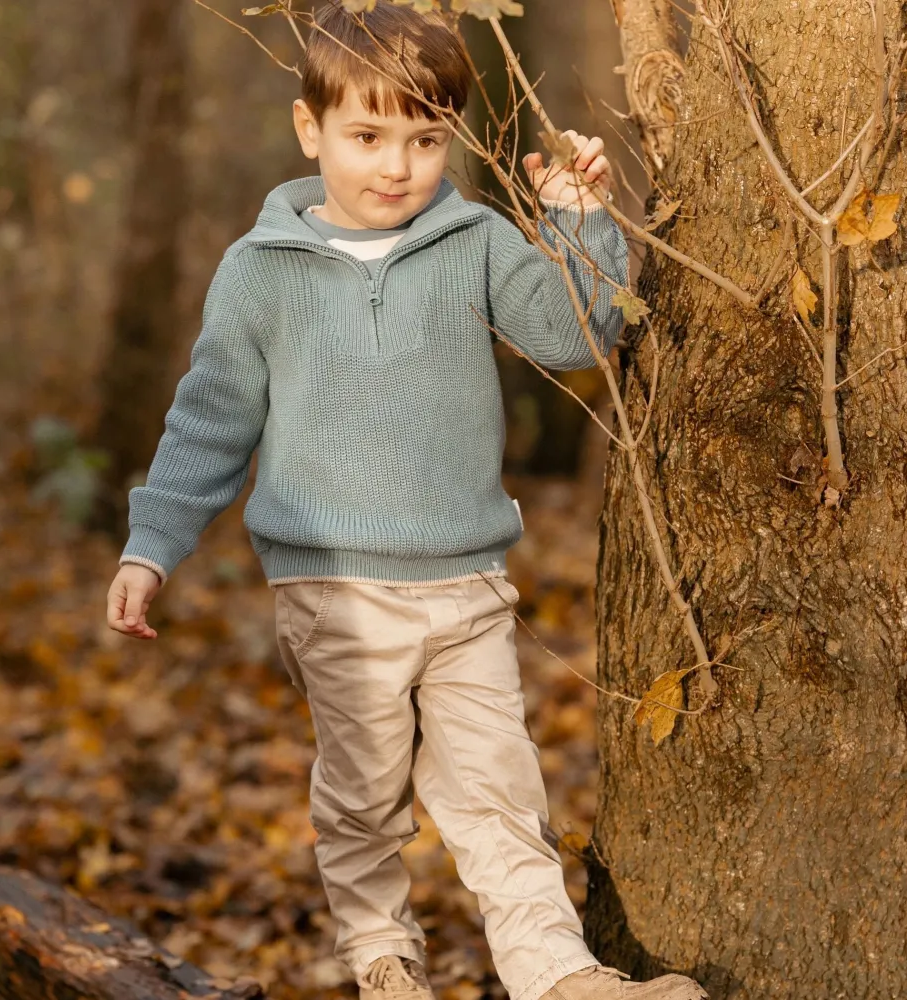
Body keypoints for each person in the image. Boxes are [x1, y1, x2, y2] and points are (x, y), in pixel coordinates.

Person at [105, 4, 706, 1000]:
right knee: (364, 795)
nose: (396, 166)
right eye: (368, 136)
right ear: (313, 131)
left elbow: (573, 338)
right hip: (332, 590)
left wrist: (576, 218)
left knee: (498, 793)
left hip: (467, 584)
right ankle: (381, 956)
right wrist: (151, 544)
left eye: (426, 140)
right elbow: (209, 419)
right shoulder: (261, 272)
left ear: (453, 138)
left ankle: (559, 975)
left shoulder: (470, 241)